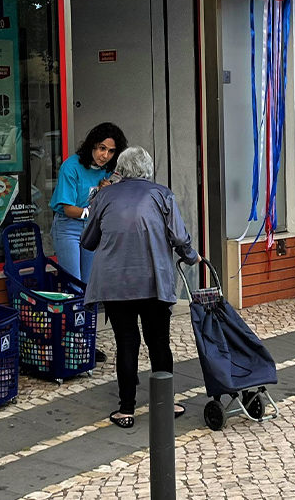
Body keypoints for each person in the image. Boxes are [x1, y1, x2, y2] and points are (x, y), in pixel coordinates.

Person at [80, 146, 198, 429]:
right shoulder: (162, 195)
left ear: (120, 169)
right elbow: (180, 237)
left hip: (116, 283)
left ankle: (126, 409)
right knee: (159, 342)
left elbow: (88, 240)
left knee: (126, 343)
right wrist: (192, 256)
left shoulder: (104, 196)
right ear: (148, 169)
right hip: (154, 282)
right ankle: (165, 403)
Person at [49, 122, 127, 284]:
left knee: (89, 283)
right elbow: (69, 209)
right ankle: (75, 310)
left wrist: (108, 191)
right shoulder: (71, 166)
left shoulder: (109, 170)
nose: (105, 155)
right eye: (102, 148)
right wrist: (93, 212)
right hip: (68, 227)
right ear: (92, 145)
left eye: (111, 151)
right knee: (74, 283)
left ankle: (86, 310)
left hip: (93, 226)